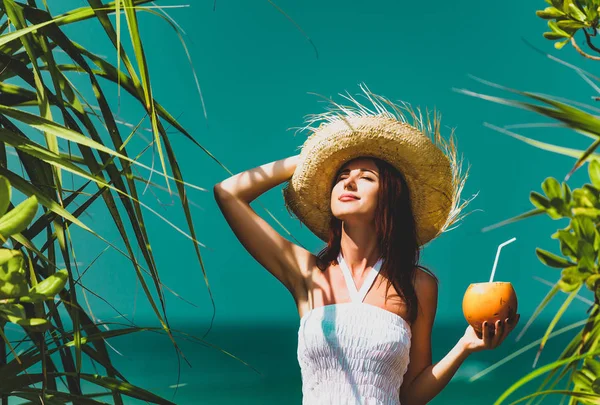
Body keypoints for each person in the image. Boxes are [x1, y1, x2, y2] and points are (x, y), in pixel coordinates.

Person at [213, 86, 520, 405]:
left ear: (390, 197)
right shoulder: (308, 274)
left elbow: (410, 395)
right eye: (342, 175)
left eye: (366, 178)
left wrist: (464, 347)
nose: (348, 182)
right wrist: (311, 160)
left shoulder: (418, 285)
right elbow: (228, 193)